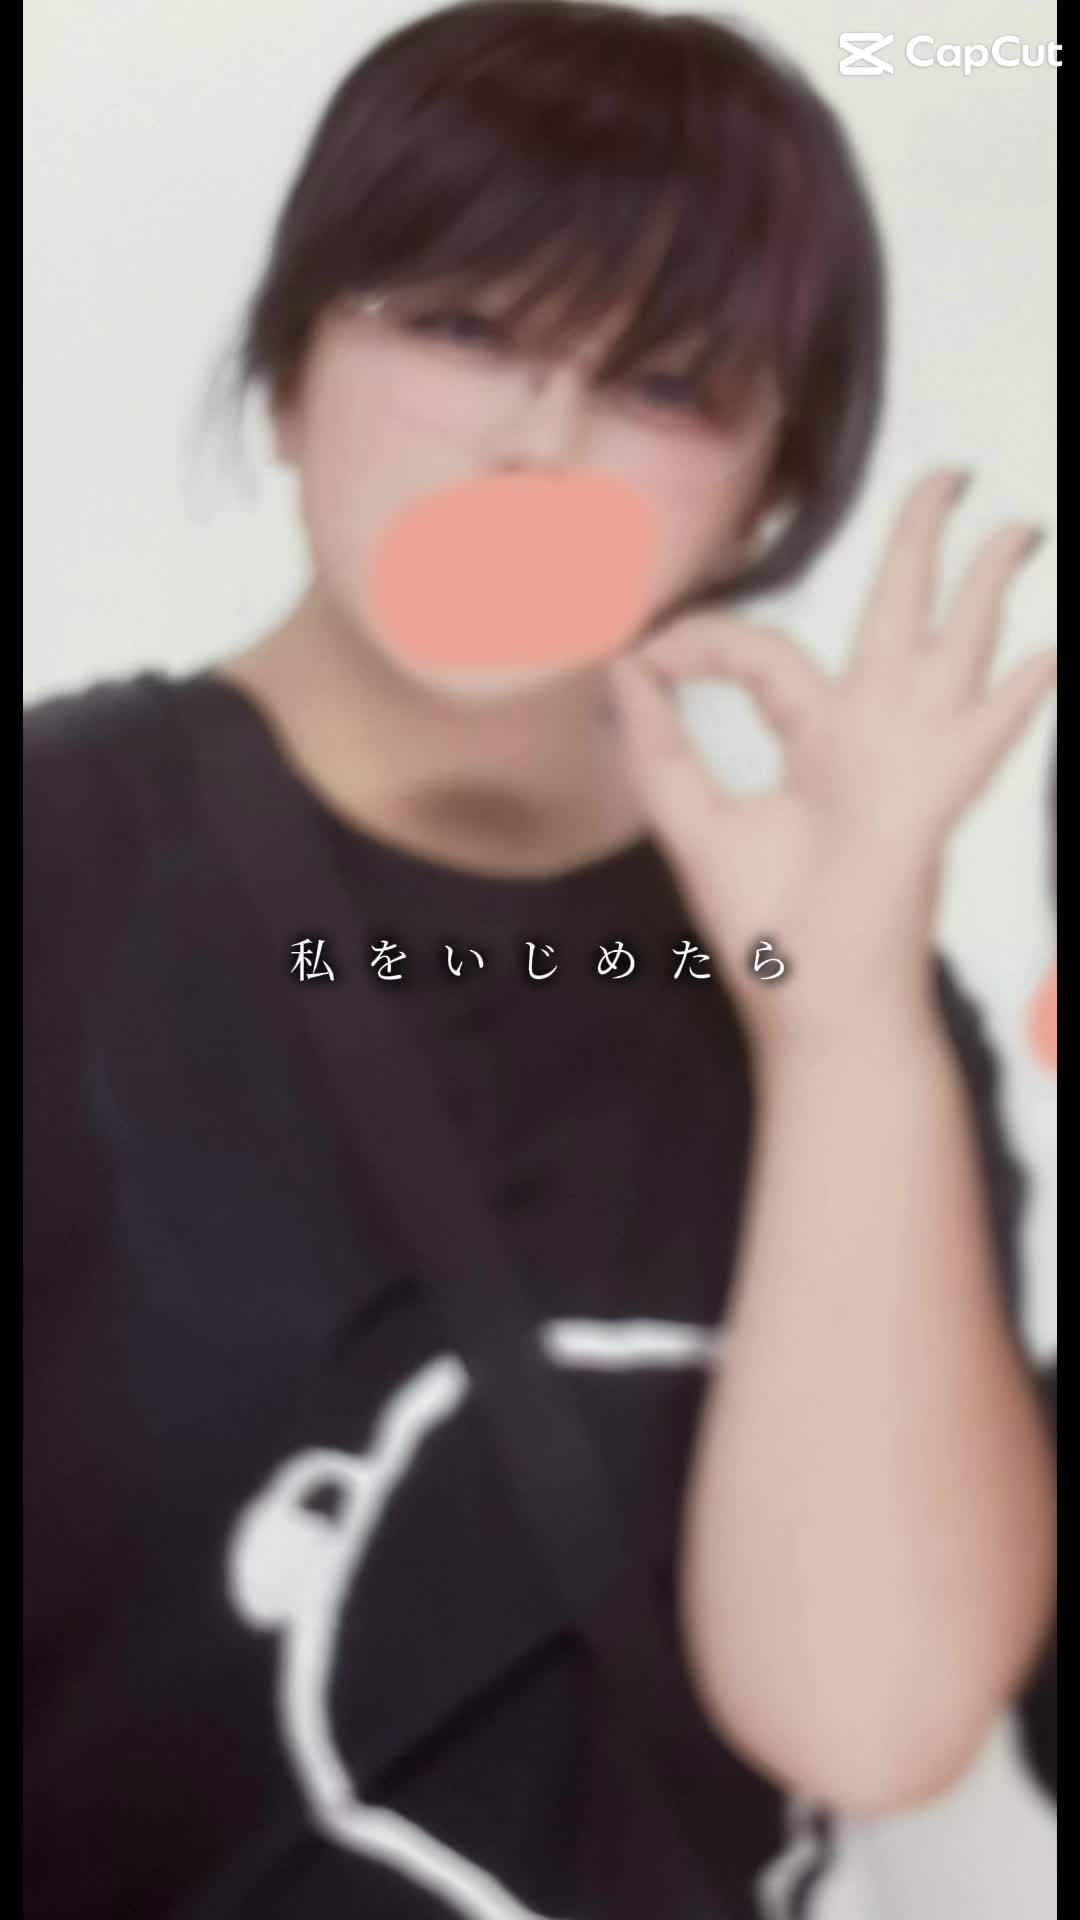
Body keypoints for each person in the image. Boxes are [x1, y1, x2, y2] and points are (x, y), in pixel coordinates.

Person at [23, 4, 1057, 1917]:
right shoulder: (63, 864)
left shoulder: (821, 966)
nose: (538, 446)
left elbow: (872, 1720)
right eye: (461, 327)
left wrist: (840, 1027)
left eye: (664, 386)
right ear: (289, 374)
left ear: (764, 497)